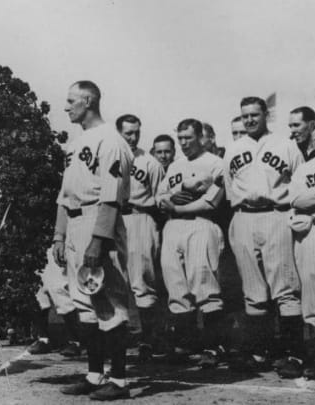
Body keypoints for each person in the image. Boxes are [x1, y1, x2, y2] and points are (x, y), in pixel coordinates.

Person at [54, 80, 133, 400]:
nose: (67, 106)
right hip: (74, 222)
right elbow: (63, 195)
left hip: (98, 221)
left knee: (109, 302)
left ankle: (121, 380)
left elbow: (112, 197)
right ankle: (95, 374)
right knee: (85, 304)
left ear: (88, 102)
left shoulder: (111, 141)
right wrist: (59, 235)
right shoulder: (76, 143)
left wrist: (98, 241)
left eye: (72, 100)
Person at [223, 96, 305, 372]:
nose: (249, 120)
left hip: (276, 214)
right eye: (244, 116)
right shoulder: (234, 148)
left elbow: (300, 181)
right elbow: (229, 183)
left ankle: (293, 354)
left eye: (254, 115)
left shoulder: (286, 145)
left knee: (285, 287)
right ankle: (260, 352)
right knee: (253, 290)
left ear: (265, 115)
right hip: (244, 217)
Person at [157, 119, 227, 368]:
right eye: (181, 138)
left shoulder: (216, 163)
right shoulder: (175, 165)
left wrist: (178, 205)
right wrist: (169, 200)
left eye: (188, 138)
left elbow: (212, 201)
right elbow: (160, 195)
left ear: (200, 136)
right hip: (173, 225)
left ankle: (213, 346)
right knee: (175, 284)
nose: (184, 143)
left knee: (203, 281)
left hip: (201, 222)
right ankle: (184, 344)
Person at [114, 114, 164, 361]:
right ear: (118, 133)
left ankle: (149, 339)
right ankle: (122, 335)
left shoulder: (150, 162)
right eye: (128, 133)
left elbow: (160, 198)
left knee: (141, 280)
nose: (133, 138)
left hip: (140, 217)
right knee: (115, 281)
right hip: (114, 218)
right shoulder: (110, 155)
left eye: (137, 133)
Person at [287, 118, 315, 379]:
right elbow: (298, 200)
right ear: (312, 143)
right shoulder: (305, 169)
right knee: (314, 292)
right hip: (314, 232)